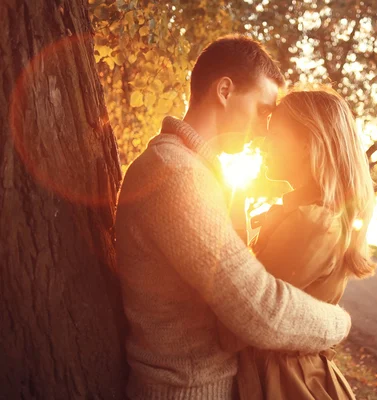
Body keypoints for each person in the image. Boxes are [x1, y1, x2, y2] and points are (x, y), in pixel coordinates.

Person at [114, 35, 352, 400]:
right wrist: (340, 323)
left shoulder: (196, 172)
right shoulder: (175, 173)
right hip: (185, 391)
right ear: (225, 90)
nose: (263, 131)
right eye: (262, 111)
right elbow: (260, 310)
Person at [221, 87, 376, 399]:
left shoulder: (313, 223)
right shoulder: (309, 215)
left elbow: (242, 311)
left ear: (307, 144)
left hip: (286, 384)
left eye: (274, 133)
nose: (263, 144)